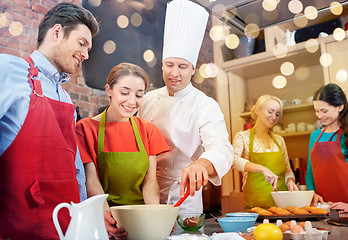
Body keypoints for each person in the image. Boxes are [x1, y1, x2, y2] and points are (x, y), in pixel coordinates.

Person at [0, 3, 99, 239]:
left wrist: (85, 216)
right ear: (57, 32)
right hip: (20, 229)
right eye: (82, 43)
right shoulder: (10, 70)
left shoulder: (65, 97)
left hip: (67, 229)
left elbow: (75, 171)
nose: (86, 54)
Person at [137, 0, 234, 214]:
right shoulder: (146, 100)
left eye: (182, 67)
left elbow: (222, 148)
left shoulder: (205, 105)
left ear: (192, 70)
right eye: (169, 65)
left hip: (184, 198)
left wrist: (201, 164)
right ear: (162, 65)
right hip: (145, 194)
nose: (175, 73)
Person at [76, 63, 169, 239]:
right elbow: (91, 180)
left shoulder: (148, 130)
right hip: (104, 219)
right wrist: (107, 218)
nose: (132, 102)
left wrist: (153, 217)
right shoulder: (85, 129)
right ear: (109, 90)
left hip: (140, 219)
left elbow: (150, 182)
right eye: (124, 93)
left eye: (139, 95)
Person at [233, 95, 298, 210]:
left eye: (277, 114)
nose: (274, 117)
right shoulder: (242, 137)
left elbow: (288, 171)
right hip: (255, 209)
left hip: (282, 208)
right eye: (270, 111)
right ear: (257, 110)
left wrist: (290, 181)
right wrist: (262, 169)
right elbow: (233, 161)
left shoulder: (279, 140)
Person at [305, 83, 348, 205]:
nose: (320, 116)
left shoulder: (346, 134)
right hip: (323, 207)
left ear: (340, 107)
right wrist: (312, 192)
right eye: (317, 111)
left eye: (324, 111)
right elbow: (310, 172)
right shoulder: (315, 136)